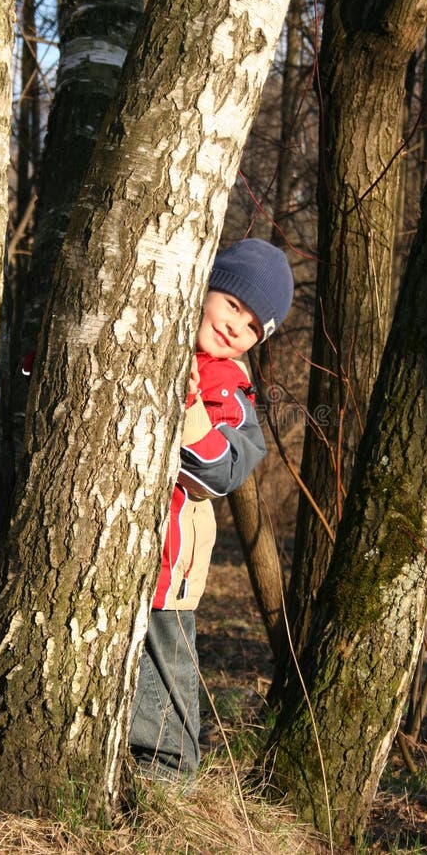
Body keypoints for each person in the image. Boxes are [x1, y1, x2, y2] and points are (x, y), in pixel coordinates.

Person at [128, 237, 294, 783]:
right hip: (104, 556)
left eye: (250, 325)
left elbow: (220, 472)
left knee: (163, 689)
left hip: (167, 574)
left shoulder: (231, 393)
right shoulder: (144, 330)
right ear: (204, 287)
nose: (233, 326)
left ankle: (168, 784)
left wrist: (189, 404)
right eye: (230, 303)